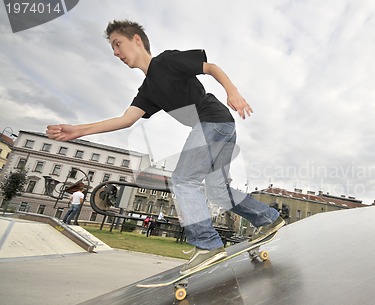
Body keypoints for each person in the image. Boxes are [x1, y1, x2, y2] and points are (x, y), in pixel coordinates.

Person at [46, 20, 285, 275]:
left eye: (118, 44)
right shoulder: (147, 91)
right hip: (221, 127)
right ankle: (269, 219)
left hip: (213, 121)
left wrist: (232, 91)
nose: (116, 53)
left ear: (137, 40)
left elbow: (211, 67)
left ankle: (207, 245)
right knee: (217, 191)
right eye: (113, 49)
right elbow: (125, 120)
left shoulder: (166, 61)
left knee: (183, 179)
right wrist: (78, 130)